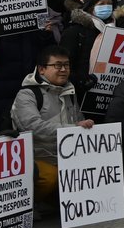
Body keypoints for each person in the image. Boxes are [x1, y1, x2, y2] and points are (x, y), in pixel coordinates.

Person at [9, 45, 93, 203]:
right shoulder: (27, 94)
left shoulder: (69, 92)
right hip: (37, 157)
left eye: (66, 65)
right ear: (41, 69)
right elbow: (32, 126)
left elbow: (77, 122)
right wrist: (73, 129)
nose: (63, 69)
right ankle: (32, 205)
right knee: (50, 177)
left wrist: (83, 125)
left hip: (65, 156)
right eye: (57, 65)